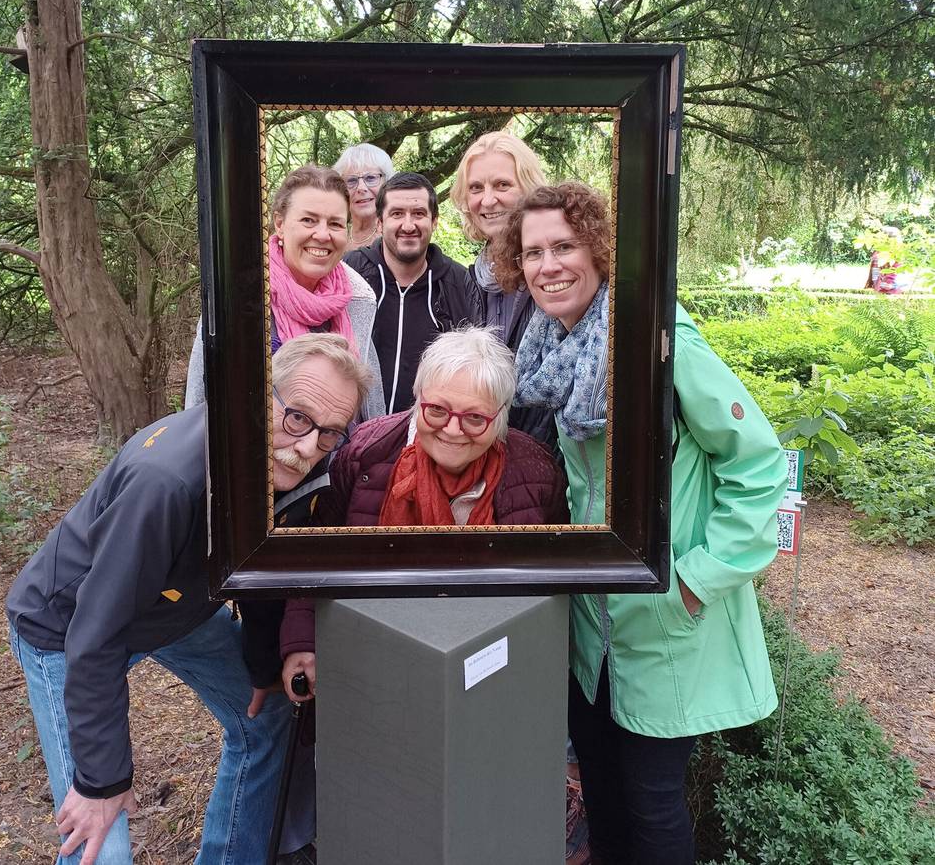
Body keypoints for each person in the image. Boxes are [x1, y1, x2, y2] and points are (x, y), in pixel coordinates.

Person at [493, 182, 788, 865]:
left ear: (599, 250)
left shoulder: (660, 342)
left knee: (652, 805)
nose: (548, 265)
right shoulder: (548, 350)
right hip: (591, 634)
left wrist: (695, 580)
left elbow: (758, 466)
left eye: (564, 246)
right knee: (602, 795)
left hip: (663, 619)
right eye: (533, 252)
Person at [6, 333, 374, 865]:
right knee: (99, 840)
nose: (307, 447)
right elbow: (97, 631)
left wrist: (264, 664)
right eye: (297, 417)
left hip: (176, 605)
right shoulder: (167, 482)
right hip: (67, 627)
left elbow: (263, 571)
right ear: (255, 395)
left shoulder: (300, 467)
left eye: (329, 433)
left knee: (265, 712)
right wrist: (102, 782)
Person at [278, 327, 569, 675]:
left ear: (500, 416)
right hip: (374, 647)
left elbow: (553, 580)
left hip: (489, 658)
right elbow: (320, 552)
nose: (452, 430)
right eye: (437, 411)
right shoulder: (366, 454)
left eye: (475, 418)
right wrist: (303, 641)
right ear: (418, 399)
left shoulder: (534, 470)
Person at [185, 164, 385, 419]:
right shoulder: (237, 297)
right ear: (280, 223)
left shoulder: (357, 300)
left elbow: (369, 409)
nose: (322, 235)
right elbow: (198, 403)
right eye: (309, 220)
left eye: (335, 224)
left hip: (335, 455)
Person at [449, 131, 558, 451]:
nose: (487, 199)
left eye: (502, 185)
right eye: (475, 188)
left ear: (529, 189)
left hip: (549, 459)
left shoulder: (557, 278)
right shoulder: (462, 283)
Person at [346, 172, 483, 414]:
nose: (408, 226)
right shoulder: (351, 273)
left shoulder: (458, 284)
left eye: (418, 214)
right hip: (355, 436)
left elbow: (473, 369)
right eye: (397, 214)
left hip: (426, 436)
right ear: (380, 222)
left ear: (434, 222)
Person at [333, 142, 395, 252]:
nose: (361, 188)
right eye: (351, 180)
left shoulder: (396, 238)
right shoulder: (333, 237)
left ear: (387, 184)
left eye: (370, 178)